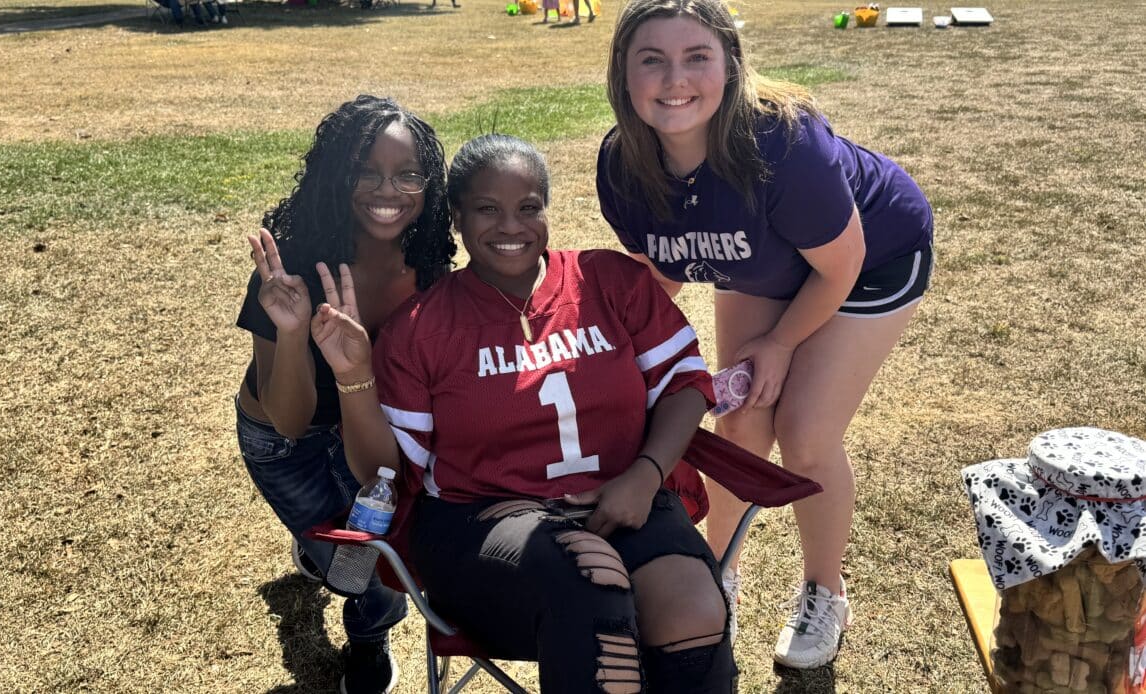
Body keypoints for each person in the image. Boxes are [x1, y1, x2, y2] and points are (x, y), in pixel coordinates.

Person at [310, 134, 737, 693]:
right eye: (487, 209)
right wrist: (352, 375)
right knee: (590, 579)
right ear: (457, 217)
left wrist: (646, 474)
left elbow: (684, 383)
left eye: (528, 207)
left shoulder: (610, 282)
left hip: (626, 497)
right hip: (481, 525)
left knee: (694, 608)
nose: (511, 226)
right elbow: (381, 472)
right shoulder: (422, 328)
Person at [597, 0, 935, 671]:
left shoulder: (781, 142)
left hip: (868, 260)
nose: (675, 79)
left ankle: (825, 591)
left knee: (805, 433)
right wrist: (614, 355)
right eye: (652, 60)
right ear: (622, 74)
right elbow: (661, 275)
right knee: (740, 428)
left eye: (696, 57)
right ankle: (716, 568)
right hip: (764, 260)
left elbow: (839, 266)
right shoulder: (622, 163)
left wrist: (780, 344)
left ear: (730, 65)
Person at [235, 95, 456, 694]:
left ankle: (367, 635)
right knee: (350, 564)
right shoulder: (295, 262)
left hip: (368, 425)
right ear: (338, 174)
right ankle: (321, 555)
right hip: (286, 439)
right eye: (366, 171)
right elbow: (288, 420)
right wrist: (292, 331)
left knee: (379, 564)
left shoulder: (429, 262)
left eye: (408, 174)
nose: (388, 191)